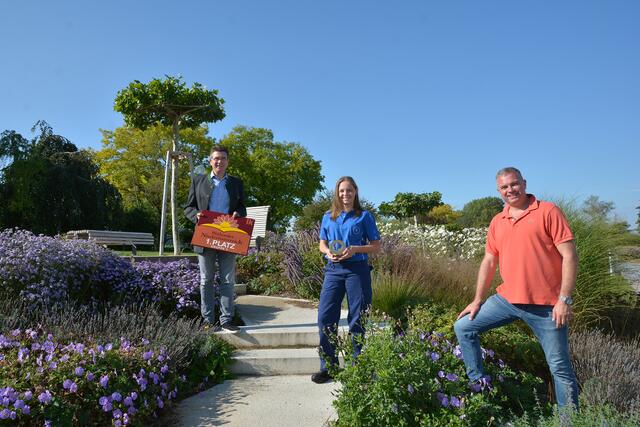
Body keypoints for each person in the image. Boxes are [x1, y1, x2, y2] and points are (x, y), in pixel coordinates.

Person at [454, 167, 579, 408]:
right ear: (499, 191)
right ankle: (481, 392)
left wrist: (564, 299)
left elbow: (570, 256)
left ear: (524, 183)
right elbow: (489, 261)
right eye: (504, 187)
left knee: (560, 370)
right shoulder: (497, 221)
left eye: (514, 184)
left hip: (547, 308)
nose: (510, 190)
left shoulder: (547, 211)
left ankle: (571, 421)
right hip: (507, 300)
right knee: (463, 327)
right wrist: (477, 299)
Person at [312, 176, 381, 384]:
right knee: (325, 317)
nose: (345, 194)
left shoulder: (364, 216)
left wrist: (354, 250)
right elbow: (322, 243)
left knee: (357, 317)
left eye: (349, 190)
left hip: (357, 270)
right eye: (342, 191)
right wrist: (327, 253)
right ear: (337, 193)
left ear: (355, 192)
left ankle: (355, 366)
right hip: (333, 269)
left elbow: (376, 246)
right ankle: (329, 366)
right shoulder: (328, 217)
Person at [185, 145, 246, 332]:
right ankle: (208, 321)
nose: (219, 161)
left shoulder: (236, 183)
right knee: (206, 280)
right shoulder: (198, 181)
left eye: (223, 158)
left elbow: (242, 207)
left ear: (228, 161)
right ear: (210, 161)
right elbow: (188, 207)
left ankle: (226, 319)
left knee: (228, 280)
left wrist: (238, 213)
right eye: (216, 158)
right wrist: (195, 215)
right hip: (206, 237)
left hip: (228, 237)